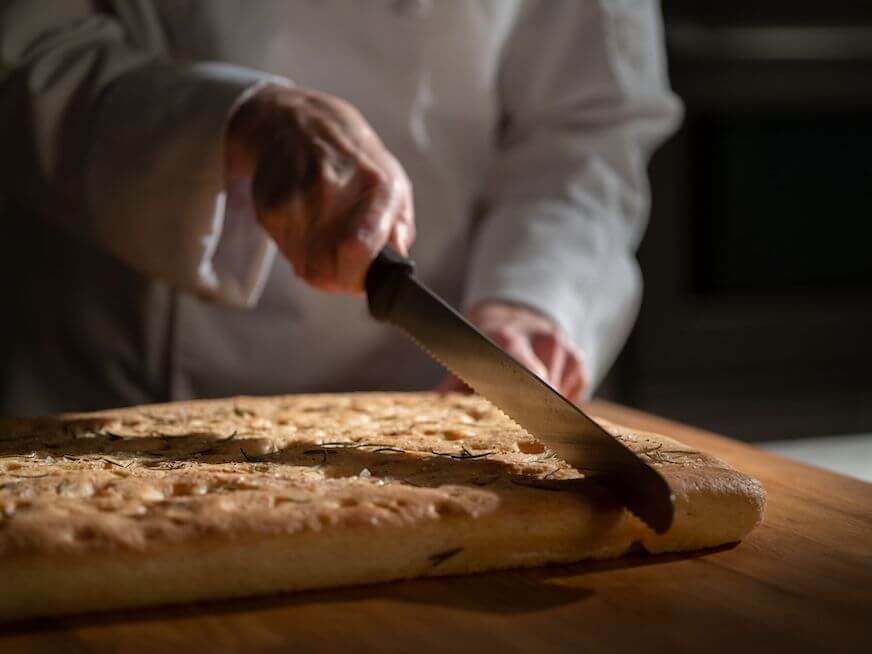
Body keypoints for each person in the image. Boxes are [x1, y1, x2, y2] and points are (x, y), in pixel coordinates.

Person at [0, 0, 680, 416]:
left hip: (425, 401)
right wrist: (237, 121)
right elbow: (25, 44)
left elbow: (591, 120)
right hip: (109, 392)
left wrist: (531, 301)